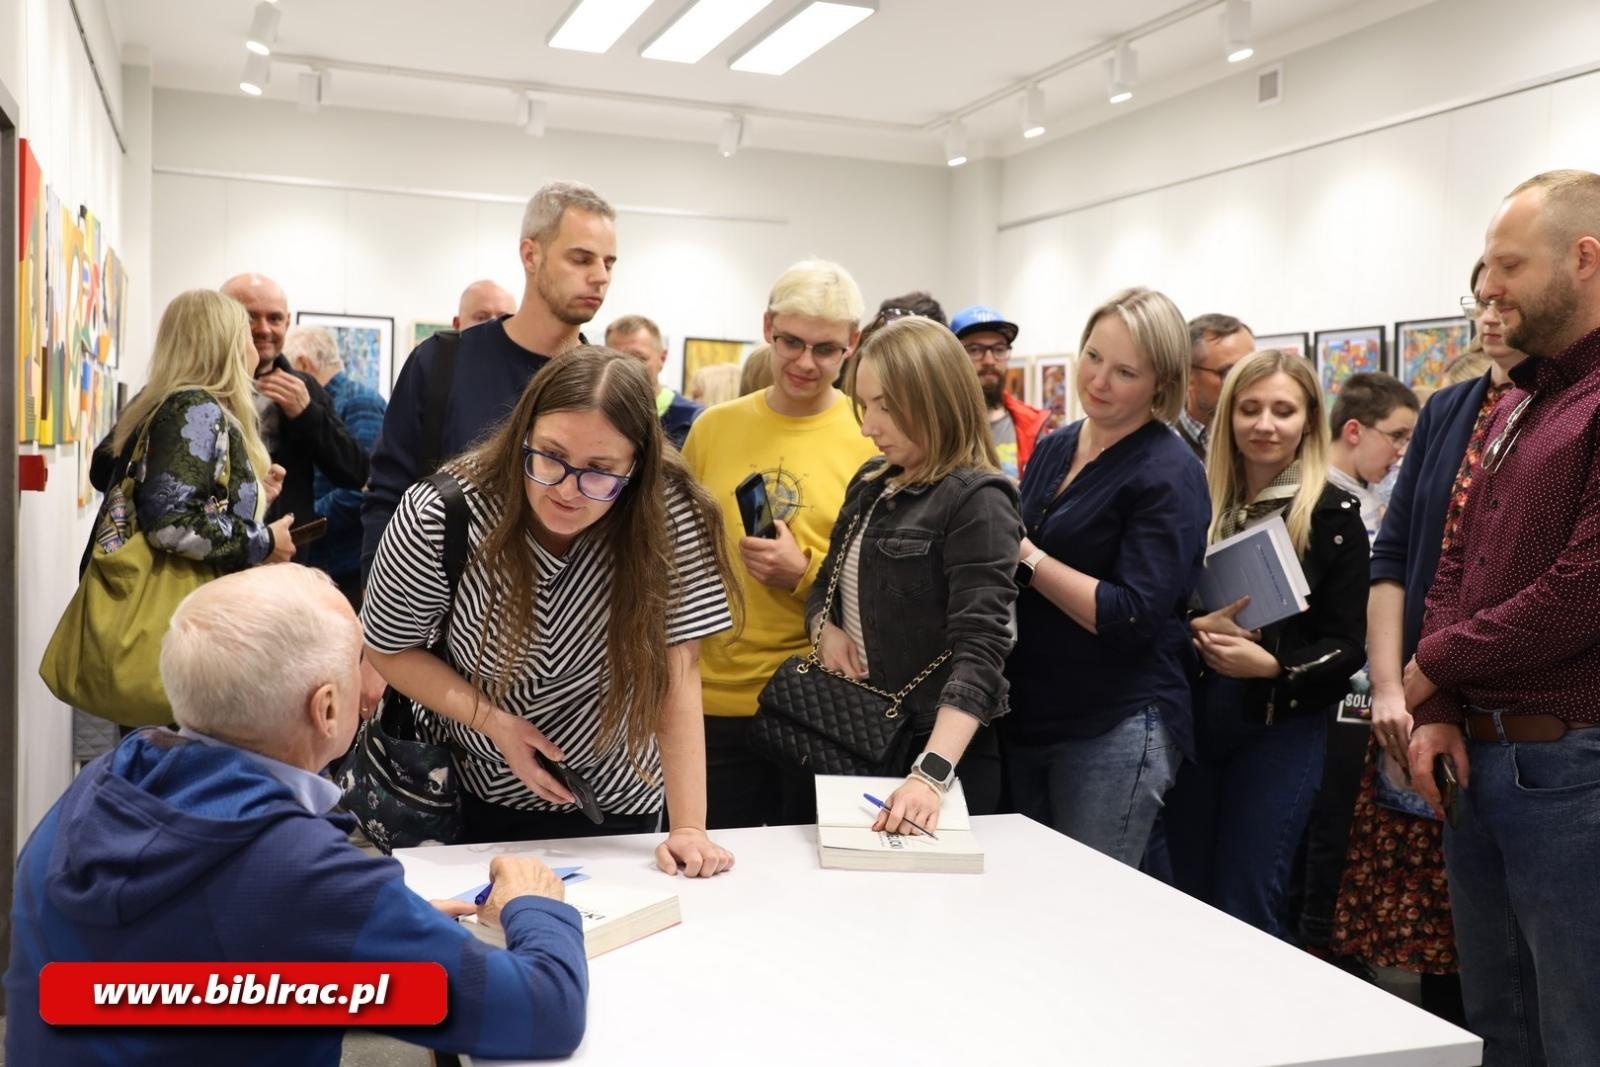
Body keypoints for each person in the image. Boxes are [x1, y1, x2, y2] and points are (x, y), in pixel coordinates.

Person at [4, 564, 588, 1064]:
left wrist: (360, 933)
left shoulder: (97, 789)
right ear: (326, 708)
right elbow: (543, 1010)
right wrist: (532, 904)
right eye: (362, 658)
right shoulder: (302, 876)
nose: (374, 684)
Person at [363, 347, 736, 874]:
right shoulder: (443, 512)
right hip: (470, 789)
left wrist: (690, 827)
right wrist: (494, 722)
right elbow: (388, 647)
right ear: (523, 435)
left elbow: (677, 671)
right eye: (549, 457)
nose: (567, 489)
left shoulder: (670, 512)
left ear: (638, 466)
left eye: (600, 472)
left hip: (619, 794)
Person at [1405, 170, 1600, 1066]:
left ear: (1584, 259)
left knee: (1576, 1022)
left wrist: (1430, 662)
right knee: (1496, 1018)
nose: (1486, 289)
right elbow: (1456, 558)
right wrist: (1440, 704)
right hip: (1474, 761)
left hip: (1567, 769)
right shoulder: (1518, 404)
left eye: (1507, 265)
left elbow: (1580, 589)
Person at [1331, 264, 1527, 1025]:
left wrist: (1419, 675)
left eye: (1506, 295)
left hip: (1533, 728)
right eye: (1480, 297)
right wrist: (1394, 688)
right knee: (1479, 972)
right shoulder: (1450, 411)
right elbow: (1408, 555)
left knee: (1548, 979)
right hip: (1436, 711)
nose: (1489, 312)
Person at [1164, 348, 1369, 940]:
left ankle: (1252, 1029)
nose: (1265, 424)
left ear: (1309, 421)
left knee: (1248, 897)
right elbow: (1158, 609)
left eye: (1283, 410)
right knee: (1185, 893)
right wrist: (1192, 625)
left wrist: (1275, 667)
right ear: (1227, 416)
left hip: (1282, 728)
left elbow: (1347, 645)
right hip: (1194, 724)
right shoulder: (1196, 504)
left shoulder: (1333, 515)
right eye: (1250, 409)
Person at [1001, 288, 1210, 866]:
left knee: (1087, 907)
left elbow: (1132, 615)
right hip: (1033, 711)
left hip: (1114, 722)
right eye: (1092, 357)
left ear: (1160, 385)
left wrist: (1027, 558)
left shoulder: (1169, 473)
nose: (1097, 380)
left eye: (1124, 372)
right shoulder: (1058, 443)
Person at [680, 259, 880, 830]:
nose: (804, 362)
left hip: (818, 703)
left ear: (853, 344)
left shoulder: (870, 436)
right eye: (790, 341)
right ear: (766, 326)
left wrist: (803, 572)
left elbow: (888, 593)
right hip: (709, 697)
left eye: (825, 349)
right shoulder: (714, 428)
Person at [807, 316, 1022, 829]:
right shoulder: (871, 482)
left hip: (935, 748)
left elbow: (982, 652)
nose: (867, 425)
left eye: (884, 406)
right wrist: (825, 632)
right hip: (856, 733)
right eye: (864, 405)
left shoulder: (979, 500)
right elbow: (823, 587)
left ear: (934, 400)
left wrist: (930, 773)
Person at [362, 180, 618, 579]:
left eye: (609, 262)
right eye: (582, 259)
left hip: (571, 624)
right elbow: (388, 496)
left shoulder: (606, 388)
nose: (600, 276)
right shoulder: (441, 362)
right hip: (441, 617)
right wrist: (380, 617)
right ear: (531, 255)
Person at [1296, 370, 1419, 959]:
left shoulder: (1372, 501)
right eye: (1395, 437)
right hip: (1329, 692)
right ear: (1353, 429)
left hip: (1368, 690)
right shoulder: (1319, 503)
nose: (1400, 453)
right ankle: (1316, 941)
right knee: (1324, 829)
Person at [88, 289, 295, 577]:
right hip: (167, 607)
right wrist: (264, 541)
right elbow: (172, 523)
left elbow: (184, 498)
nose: (253, 348)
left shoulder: (172, 401)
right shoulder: (195, 407)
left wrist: (250, 491)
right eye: (246, 335)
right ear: (226, 345)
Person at [219, 273, 369, 524]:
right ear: (221, 320)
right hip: (210, 551)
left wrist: (307, 415)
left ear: (287, 323)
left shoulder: (305, 387)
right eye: (249, 317)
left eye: (274, 318)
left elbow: (356, 473)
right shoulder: (195, 387)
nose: (263, 329)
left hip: (287, 549)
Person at [283, 325, 387, 605]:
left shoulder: (358, 402)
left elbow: (364, 487)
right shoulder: (344, 400)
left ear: (304, 364)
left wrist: (303, 523)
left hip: (344, 568)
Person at [949, 305, 1049, 480]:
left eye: (999, 349)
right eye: (975, 350)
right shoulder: (936, 425)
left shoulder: (1033, 425)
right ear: (952, 356)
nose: (989, 360)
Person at [606, 313, 702, 447]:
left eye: (639, 358)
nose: (627, 367)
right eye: (616, 358)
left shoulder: (693, 420)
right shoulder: (598, 414)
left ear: (662, 358)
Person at [1175, 313, 1256, 462]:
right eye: (1229, 373)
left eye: (1252, 370)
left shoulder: (1265, 435)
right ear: (1188, 377)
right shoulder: (1161, 447)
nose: (1247, 383)